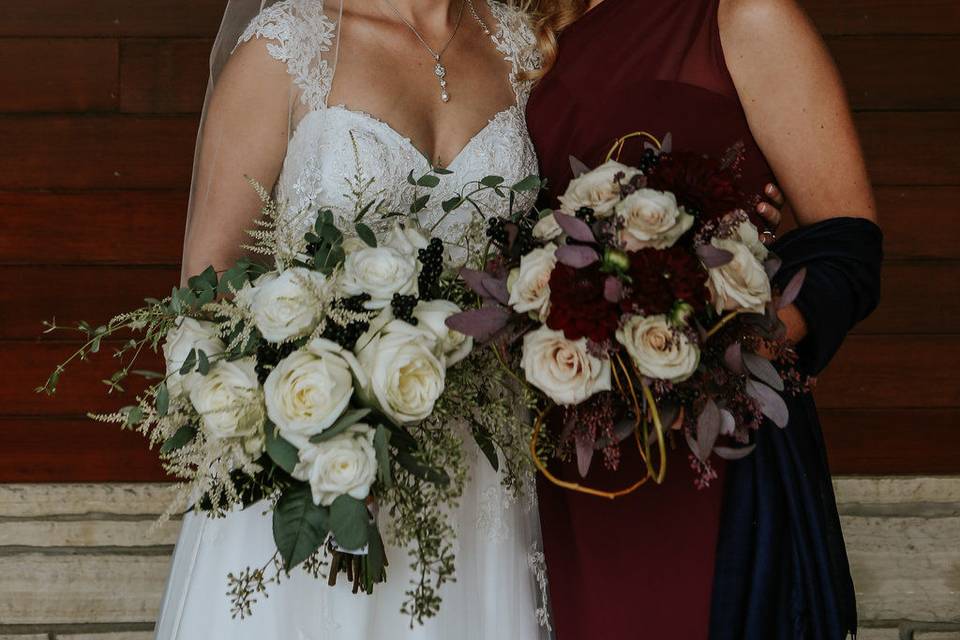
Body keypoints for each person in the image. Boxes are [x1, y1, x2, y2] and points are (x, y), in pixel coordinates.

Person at [156, 0, 551, 637]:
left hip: (481, 472)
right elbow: (205, 300)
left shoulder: (522, 47)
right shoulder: (290, 45)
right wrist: (314, 428)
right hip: (317, 465)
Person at [523, 0, 883, 638]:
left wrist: (740, 342)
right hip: (567, 447)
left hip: (708, 445)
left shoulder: (743, 15)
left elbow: (847, 249)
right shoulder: (529, 31)